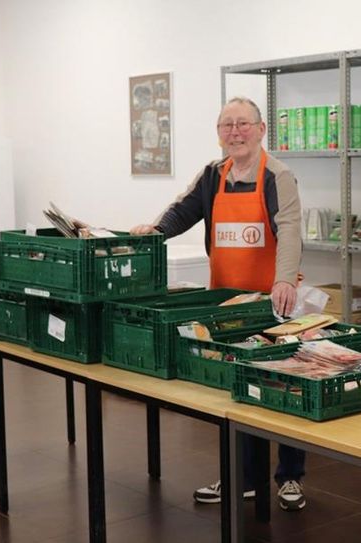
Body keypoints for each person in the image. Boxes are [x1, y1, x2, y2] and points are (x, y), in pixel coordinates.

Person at [130, 96, 307, 511]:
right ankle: (242, 478)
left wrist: (284, 278)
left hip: (271, 304)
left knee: (284, 389)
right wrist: (154, 230)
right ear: (218, 133)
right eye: (226, 125)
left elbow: (291, 229)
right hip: (227, 304)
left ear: (261, 130)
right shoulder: (213, 175)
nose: (235, 132)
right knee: (237, 391)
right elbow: (183, 211)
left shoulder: (278, 176)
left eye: (243, 124)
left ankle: (291, 478)